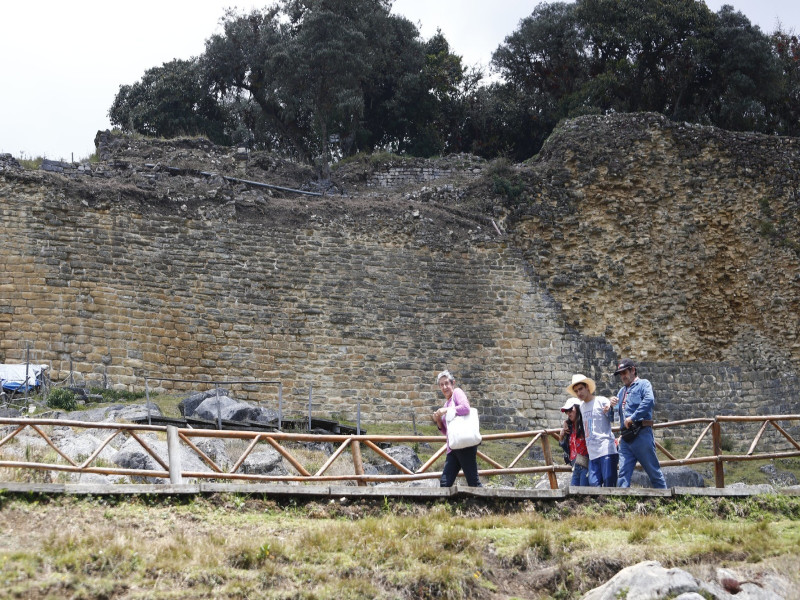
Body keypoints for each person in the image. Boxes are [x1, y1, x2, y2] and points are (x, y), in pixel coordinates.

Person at [612, 358, 667, 489]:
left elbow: (649, 401)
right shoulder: (621, 391)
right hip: (626, 437)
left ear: (633, 370)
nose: (622, 376)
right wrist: (610, 406)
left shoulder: (644, 384)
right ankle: (621, 504)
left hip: (641, 434)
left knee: (653, 471)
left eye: (624, 372)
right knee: (623, 473)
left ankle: (667, 501)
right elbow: (616, 416)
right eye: (620, 374)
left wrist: (633, 417)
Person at [431, 369, 482, 487]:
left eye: (446, 383)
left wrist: (447, 411)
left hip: (465, 445)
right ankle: (443, 504)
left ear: (452, 383)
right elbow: (446, 432)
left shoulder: (457, 393)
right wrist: (438, 420)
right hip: (453, 447)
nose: (444, 387)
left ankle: (490, 503)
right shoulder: (446, 404)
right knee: (444, 482)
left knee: (473, 482)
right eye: (441, 385)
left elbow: (466, 408)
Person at [566, 373, 618, 487]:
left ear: (587, 387)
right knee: (593, 484)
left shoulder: (601, 400)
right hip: (592, 453)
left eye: (581, 389)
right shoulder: (582, 407)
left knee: (609, 482)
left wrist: (611, 408)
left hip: (606, 448)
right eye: (576, 391)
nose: (579, 393)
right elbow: (575, 420)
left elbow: (613, 418)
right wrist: (566, 424)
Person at [558, 397, 590, 487]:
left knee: (583, 491)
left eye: (570, 410)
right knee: (575, 492)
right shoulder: (569, 427)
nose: (568, 413)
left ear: (578, 408)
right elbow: (567, 448)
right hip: (575, 464)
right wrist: (561, 436)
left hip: (585, 462)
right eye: (566, 411)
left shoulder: (585, 424)